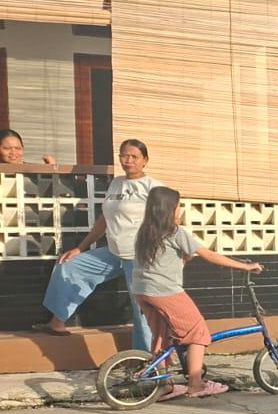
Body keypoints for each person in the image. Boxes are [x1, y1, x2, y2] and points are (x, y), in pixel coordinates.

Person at [131, 186, 263, 399]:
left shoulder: (145, 232)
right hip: (166, 292)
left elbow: (163, 262)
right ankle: (196, 384)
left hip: (142, 292)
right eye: (178, 206)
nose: (180, 210)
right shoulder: (175, 232)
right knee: (198, 332)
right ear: (169, 209)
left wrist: (183, 258)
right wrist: (245, 266)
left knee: (161, 336)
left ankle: (164, 385)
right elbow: (209, 255)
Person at [37, 139, 159, 348]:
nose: (129, 160)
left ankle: (147, 358)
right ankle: (57, 322)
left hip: (139, 256)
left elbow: (172, 217)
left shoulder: (153, 187)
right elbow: (104, 220)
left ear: (145, 160)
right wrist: (80, 248)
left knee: (141, 307)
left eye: (134, 156)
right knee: (69, 265)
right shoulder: (116, 183)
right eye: (124, 155)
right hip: (114, 252)